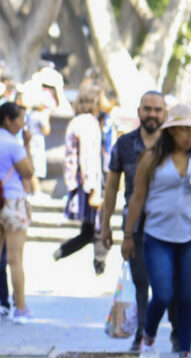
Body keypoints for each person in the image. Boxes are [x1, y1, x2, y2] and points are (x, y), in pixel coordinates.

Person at [121, 103, 191, 358]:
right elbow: (137, 198)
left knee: (185, 297)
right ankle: (149, 337)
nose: (190, 135)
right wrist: (128, 235)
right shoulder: (151, 158)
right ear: (172, 130)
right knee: (163, 294)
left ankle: (185, 353)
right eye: (184, 129)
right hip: (158, 235)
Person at [99, 90, 176, 353]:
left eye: (157, 109)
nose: (152, 114)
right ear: (139, 111)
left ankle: (177, 331)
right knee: (141, 281)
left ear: (165, 113)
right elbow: (111, 187)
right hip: (136, 225)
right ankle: (142, 334)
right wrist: (105, 225)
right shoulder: (124, 145)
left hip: (169, 222)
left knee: (170, 283)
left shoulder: (175, 144)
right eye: (147, 109)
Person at [0, 102, 34, 324]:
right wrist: (27, 144)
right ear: (8, 120)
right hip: (12, 201)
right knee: (15, 260)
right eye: (20, 119)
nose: (23, 124)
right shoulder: (13, 144)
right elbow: (28, 172)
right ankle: (20, 309)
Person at [54, 86, 108, 274]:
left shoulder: (80, 121)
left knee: (89, 231)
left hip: (84, 182)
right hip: (89, 183)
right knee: (98, 228)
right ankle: (99, 264)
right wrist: (93, 190)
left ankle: (61, 252)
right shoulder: (87, 123)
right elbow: (88, 156)